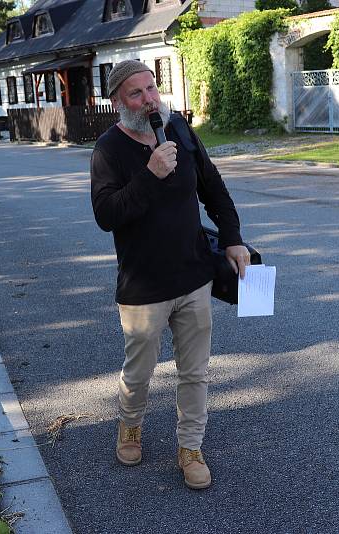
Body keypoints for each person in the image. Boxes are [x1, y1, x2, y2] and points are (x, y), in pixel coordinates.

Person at [90, 60, 250, 490]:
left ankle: (190, 447)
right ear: (117, 102)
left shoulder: (178, 128)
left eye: (151, 88)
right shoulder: (108, 150)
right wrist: (150, 175)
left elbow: (213, 187)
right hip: (143, 289)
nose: (149, 100)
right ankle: (130, 426)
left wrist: (233, 238)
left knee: (194, 372)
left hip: (194, 277)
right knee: (139, 373)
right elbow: (107, 215)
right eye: (136, 94)